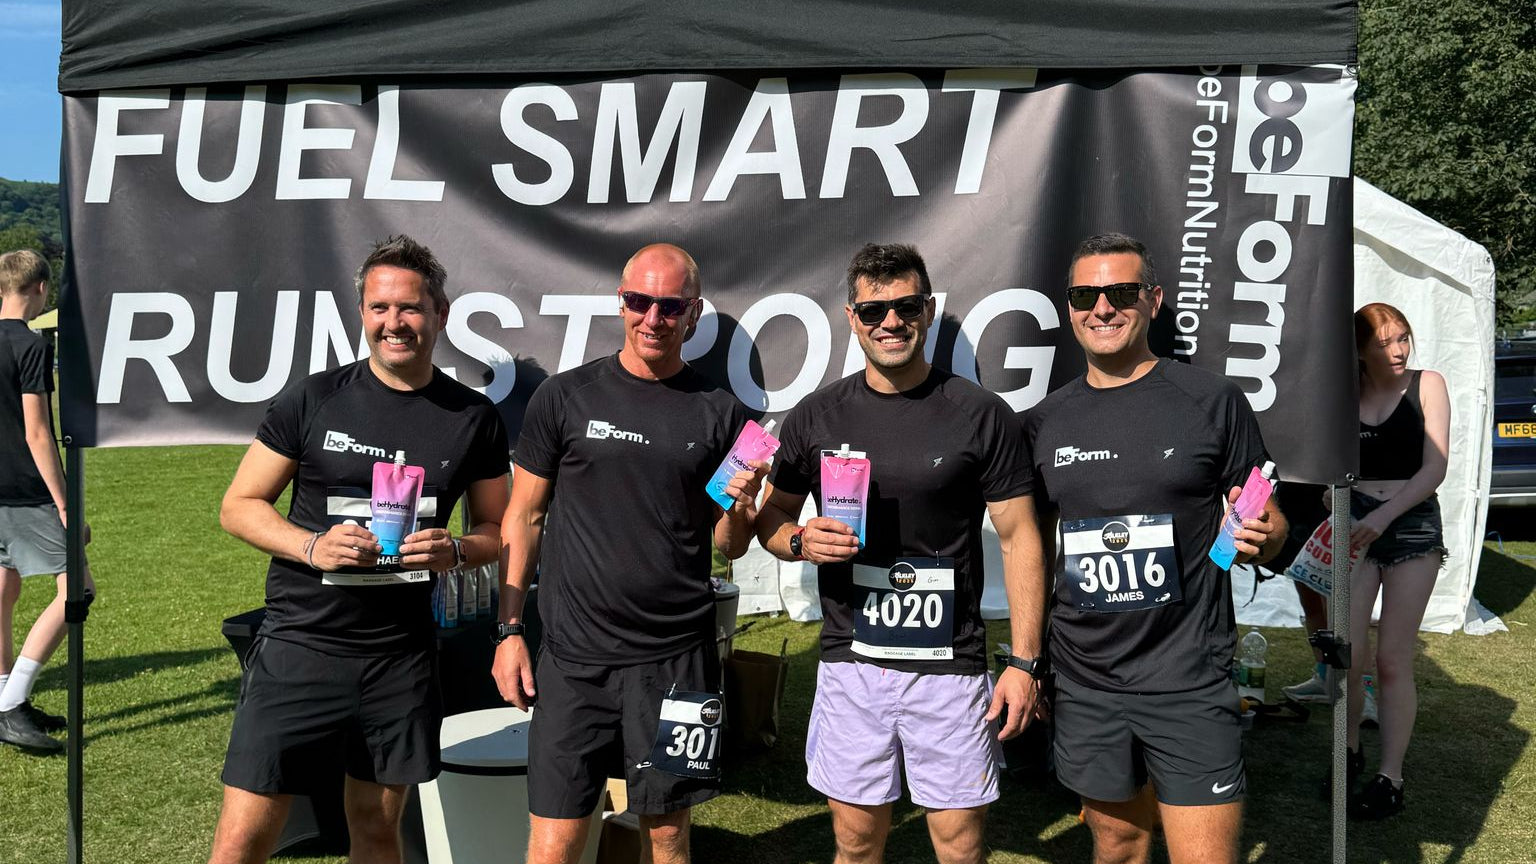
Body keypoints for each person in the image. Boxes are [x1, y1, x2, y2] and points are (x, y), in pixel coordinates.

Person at [209, 235, 510, 863]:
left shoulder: (472, 417)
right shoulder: (315, 398)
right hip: (301, 645)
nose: (393, 323)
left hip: (398, 659)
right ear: (363, 313)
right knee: (242, 841)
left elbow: (497, 531)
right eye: (379, 308)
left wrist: (454, 549)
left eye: (409, 309)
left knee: (375, 833)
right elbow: (238, 506)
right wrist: (312, 545)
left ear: (439, 313)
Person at [754, 243, 1047, 864]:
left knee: (959, 845)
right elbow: (772, 520)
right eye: (873, 310)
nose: (891, 322)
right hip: (851, 663)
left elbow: (1022, 537)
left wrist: (1024, 662)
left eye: (906, 306)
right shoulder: (816, 415)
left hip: (951, 663)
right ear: (851, 317)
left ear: (929, 309)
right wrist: (802, 542)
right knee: (857, 844)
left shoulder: (981, 415)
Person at [492, 243, 764, 864]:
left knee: (667, 837)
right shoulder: (565, 397)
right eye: (639, 302)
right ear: (620, 303)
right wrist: (508, 630)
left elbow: (728, 545)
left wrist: (744, 505)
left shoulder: (725, 415)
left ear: (693, 314)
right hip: (573, 661)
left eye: (669, 307)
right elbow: (524, 516)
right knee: (557, 840)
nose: (652, 319)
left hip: (677, 662)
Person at [1024, 233, 1286, 864]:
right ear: (1069, 307)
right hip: (1086, 679)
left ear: (1154, 300)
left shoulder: (1213, 401)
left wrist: (1260, 535)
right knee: (1117, 849)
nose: (1103, 308)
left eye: (1120, 293)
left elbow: (1273, 521)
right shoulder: (1043, 421)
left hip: (1187, 677)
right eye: (1086, 295)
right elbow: (1025, 545)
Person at [1342, 302, 1449, 820]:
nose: (1398, 349)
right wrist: (1331, 497)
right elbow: (1327, 461)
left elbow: (1435, 468)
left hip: (1409, 522)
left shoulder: (1429, 384)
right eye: (1384, 342)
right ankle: (1347, 754)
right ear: (1361, 350)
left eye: (1402, 337)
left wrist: (1384, 516)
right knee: (1349, 654)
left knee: (1392, 659)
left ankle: (1391, 776)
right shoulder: (1344, 392)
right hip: (1356, 522)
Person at [0, 249, 93, 755]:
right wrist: (65, 504)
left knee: (3, 589)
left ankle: (6, 697)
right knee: (78, 589)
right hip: (24, 489)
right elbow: (38, 433)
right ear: (40, 289)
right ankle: (11, 705)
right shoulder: (30, 345)